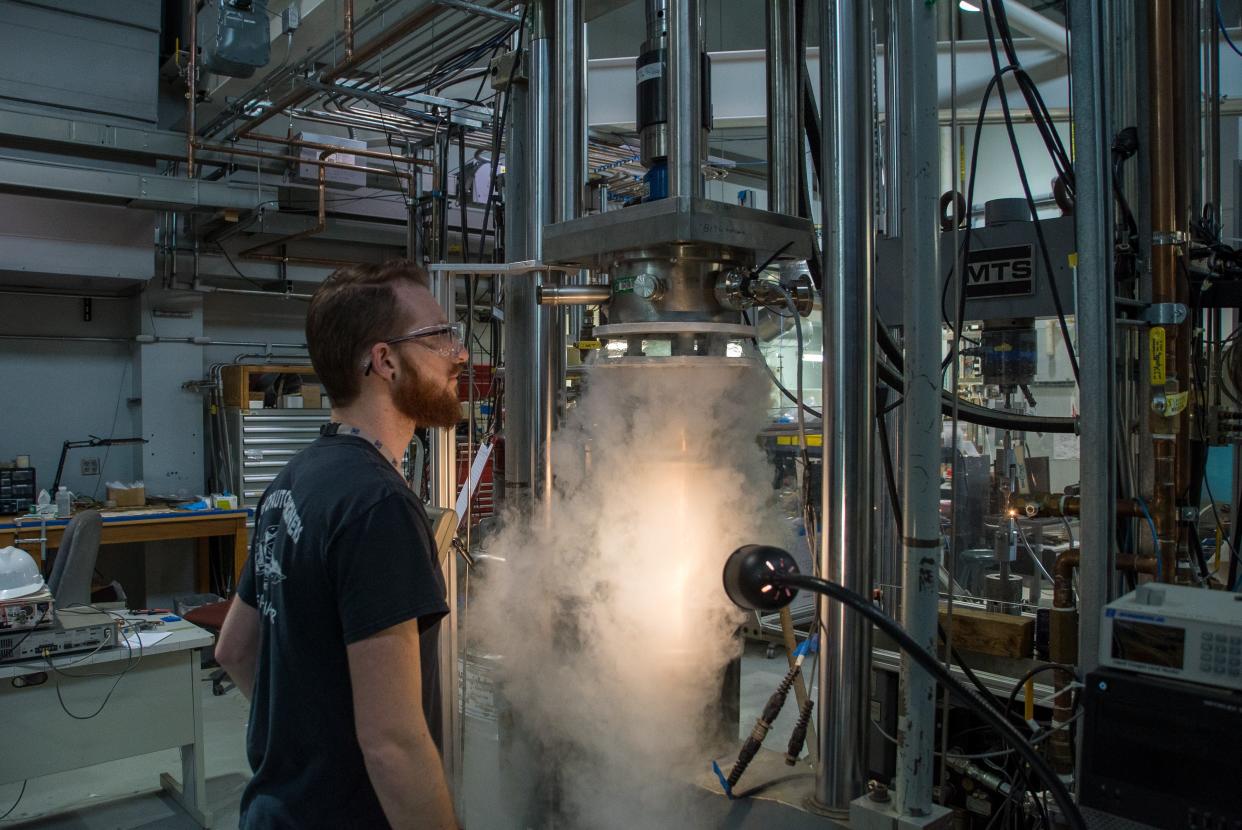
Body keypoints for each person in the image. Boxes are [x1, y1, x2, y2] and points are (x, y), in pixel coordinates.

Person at [216, 259, 466, 829]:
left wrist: (311, 747)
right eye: (438, 337)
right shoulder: (380, 507)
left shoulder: (293, 480)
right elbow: (393, 742)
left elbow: (234, 648)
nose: (459, 353)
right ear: (384, 361)